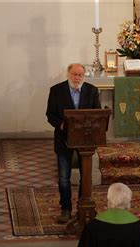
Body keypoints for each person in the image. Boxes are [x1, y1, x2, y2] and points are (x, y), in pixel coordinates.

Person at [46, 63, 101, 224]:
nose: (77, 78)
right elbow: (50, 114)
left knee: (86, 176)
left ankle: (83, 207)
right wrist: (62, 124)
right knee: (64, 177)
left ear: (84, 76)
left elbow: (97, 113)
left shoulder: (91, 91)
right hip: (64, 140)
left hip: (85, 141)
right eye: (74, 74)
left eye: (80, 75)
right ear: (68, 74)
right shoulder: (56, 90)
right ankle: (66, 209)